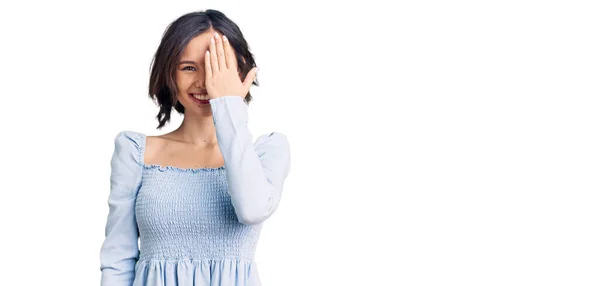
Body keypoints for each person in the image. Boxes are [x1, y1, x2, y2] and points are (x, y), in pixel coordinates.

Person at [99, 9, 291, 286]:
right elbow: (117, 261)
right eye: (189, 67)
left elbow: (252, 209)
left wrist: (228, 104)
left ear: (241, 71)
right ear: (169, 73)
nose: (204, 83)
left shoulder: (268, 150)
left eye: (217, 66)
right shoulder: (135, 152)